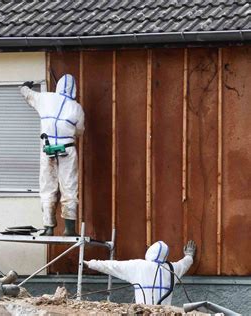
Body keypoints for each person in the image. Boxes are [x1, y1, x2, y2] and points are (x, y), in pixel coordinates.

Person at [20, 74, 85, 236]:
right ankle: (69, 229)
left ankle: (49, 228)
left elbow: (26, 93)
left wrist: (25, 85)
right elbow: (80, 131)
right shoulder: (76, 107)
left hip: (47, 149)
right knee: (69, 188)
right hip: (67, 149)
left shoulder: (45, 98)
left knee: (47, 188)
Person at [84, 240, 197, 305]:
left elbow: (112, 266)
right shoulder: (172, 268)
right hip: (164, 313)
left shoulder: (139, 266)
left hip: (143, 312)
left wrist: (90, 263)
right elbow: (185, 263)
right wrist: (189, 255)